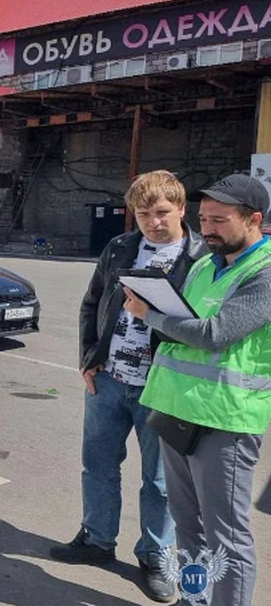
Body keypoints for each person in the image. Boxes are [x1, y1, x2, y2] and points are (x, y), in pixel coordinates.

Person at [50, 170, 207, 602]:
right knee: (97, 465)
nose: (153, 223)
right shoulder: (120, 248)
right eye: (143, 214)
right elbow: (91, 302)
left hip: (164, 387)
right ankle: (98, 539)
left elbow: (204, 328)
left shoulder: (201, 259)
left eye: (161, 213)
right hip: (109, 381)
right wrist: (88, 359)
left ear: (181, 208)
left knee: (160, 480)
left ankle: (156, 555)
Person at [126, 173, 271, 606]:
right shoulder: (207, 263)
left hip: (224, 420)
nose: (207, 229)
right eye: (204, 218)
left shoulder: (263, 273)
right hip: (175, 408)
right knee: (188, 526)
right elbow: (185, 324)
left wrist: (150, 314)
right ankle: (195, 599)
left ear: (255, 220)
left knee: (226, 536)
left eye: (220, 220)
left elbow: (214, 334)